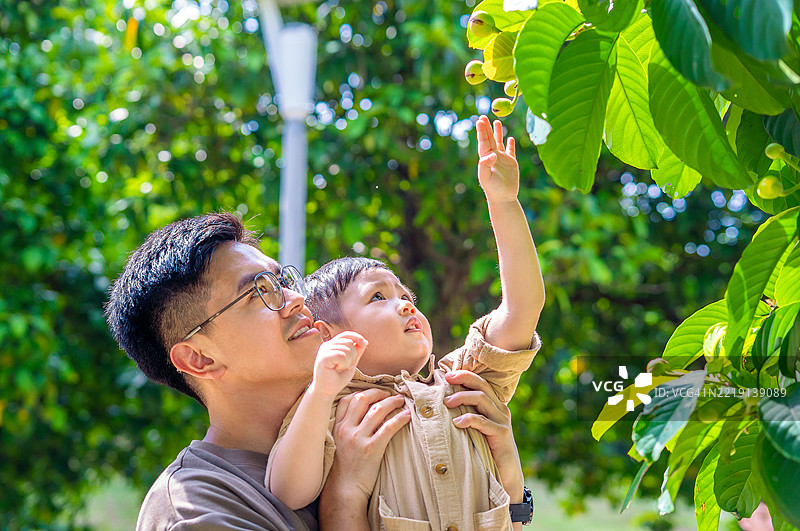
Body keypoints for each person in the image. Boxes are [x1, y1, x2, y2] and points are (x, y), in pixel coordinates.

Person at [105, 210, 528, 530]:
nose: (294, 299)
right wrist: (344, 496)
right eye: (258, 293)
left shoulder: (371, 416)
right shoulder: (200, 506)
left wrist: (510, 488)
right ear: (200, 359)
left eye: (283, 280)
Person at [267, 115, 545, 530]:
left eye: (406, 296)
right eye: (378, 296)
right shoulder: (335, 409)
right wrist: (322, 390)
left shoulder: (465, 381)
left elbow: (523, 308)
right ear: (330, 335)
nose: (405, 306)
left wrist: (503, 202)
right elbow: (288, 491)